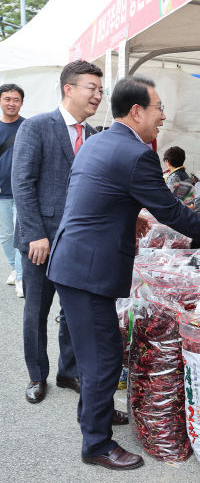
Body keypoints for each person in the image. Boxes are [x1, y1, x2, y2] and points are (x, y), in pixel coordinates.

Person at [46, 75, 200, 471]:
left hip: (76, 259)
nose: (163, 117)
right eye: (158, 109)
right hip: (87, 269)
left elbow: (93, 193)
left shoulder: (98, 140)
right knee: (103, 357)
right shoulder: (137, 154)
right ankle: (96, 444)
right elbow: (172, 212)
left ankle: (95, 416)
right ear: (136, 111)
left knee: (97, 350)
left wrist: (129, 213)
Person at [12, 60, 103, 404]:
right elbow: (22, 183)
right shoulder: (37, 126)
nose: (97, 95)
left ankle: (69, 372)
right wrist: (36, 233)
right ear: (69, 89)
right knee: (36, 309)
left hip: (79, 242)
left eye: (100, 89)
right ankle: (37, 376)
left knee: (73, 310)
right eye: (91, 88)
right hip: (41, 240)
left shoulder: (93, 135)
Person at [0, 83, 25, 297]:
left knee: (20, 235)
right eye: (7, 99)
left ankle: (20, 278)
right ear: (1, 101)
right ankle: (14, 267)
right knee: (5, 236)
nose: (11, 103)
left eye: (15, 99)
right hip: (1, 193)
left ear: (22, 103)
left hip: (23, 191)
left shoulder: (29, 127)